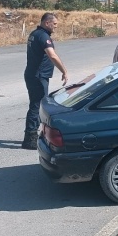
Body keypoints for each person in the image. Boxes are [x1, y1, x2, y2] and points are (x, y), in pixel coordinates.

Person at [23, 13, 68, 150]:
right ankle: (30, 139)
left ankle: (32, 135)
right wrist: (64, 71)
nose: (55, 27)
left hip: (33, 74)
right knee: (37, 106)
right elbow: (52, 55)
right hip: (38, 76)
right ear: (47, 23)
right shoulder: (43, 36)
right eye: (54, 24)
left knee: (35, 104)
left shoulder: (35, 33)